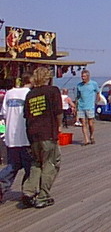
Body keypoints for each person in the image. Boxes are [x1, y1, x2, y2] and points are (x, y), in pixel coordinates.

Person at [22, 67, 62, 208]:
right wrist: (59, 126)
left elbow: (26, 116)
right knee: (51, 163)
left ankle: (29, 191)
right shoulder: (53, 91)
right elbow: (58, 112)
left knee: (37, 163)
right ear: (47, 77)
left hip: (33, 134)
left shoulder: (30, 94)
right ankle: (43, 196)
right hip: (47, 133)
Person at [0, 72, 32, 204]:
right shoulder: (29, 94)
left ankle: (2, 185)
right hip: (25, 136)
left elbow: (4, 113)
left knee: (13, 165)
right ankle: (28, 191)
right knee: (30, 166)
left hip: (11, 136)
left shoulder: (10, 93)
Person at [76, 70, 100, 145]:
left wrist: (97, 100)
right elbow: (78, 96)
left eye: (84, 76)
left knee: (90, 123)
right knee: (83, 123)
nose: (83, 78)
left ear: (88, 76)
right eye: (82, 76)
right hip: (81, 106)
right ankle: (86, 139)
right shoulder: (79, 85)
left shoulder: (93, 84)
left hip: (90, 106)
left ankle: (91, 136)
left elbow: (98, 92)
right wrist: (75, 106)